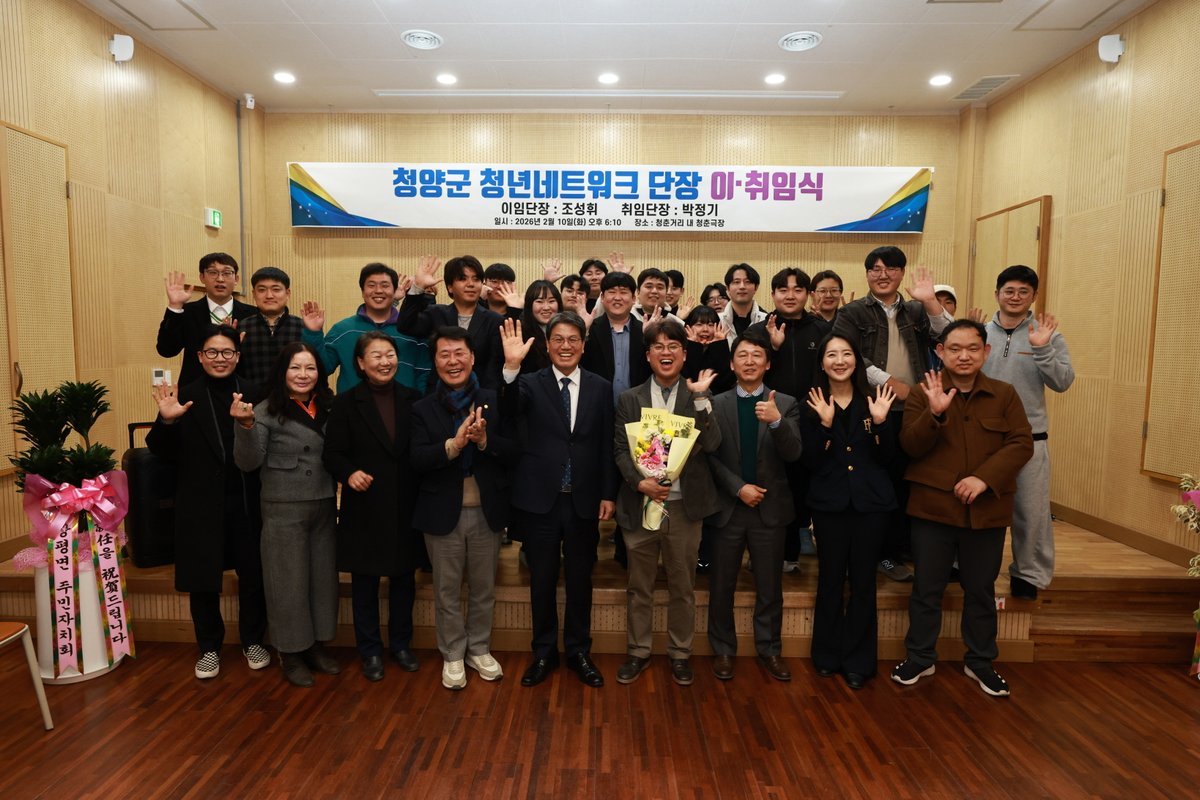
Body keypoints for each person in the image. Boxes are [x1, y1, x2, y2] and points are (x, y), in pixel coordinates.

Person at [892, 320, 1033, 697]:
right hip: (933, 509)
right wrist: (935, 414)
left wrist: (984, 479)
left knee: (981, 589)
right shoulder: (924, 392)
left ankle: (981, 660)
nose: (964, 356)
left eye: (972, 348)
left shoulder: (1004, 394)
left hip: (986, 510)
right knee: (926, 588)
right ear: (940, 352)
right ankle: (920, 656)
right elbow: (910, 445)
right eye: (954, 348)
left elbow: (1021, 443)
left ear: (986, 352)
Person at [500, 312, 617, 688]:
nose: (566, 346)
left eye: (573, 339)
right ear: (547, 345)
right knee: (542, 579)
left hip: (584, 499)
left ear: (583, 345)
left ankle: (579, 650)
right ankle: (544, 652)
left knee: (581, 580)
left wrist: (608, 493)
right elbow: (507, 410)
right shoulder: (528, 383)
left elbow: (606, 444)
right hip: (541, 500)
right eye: (558, 340)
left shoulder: (601, 387)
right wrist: (510, 368)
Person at [146, 326, 268, 680]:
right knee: (202, 577)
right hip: (199, 501)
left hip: (246, 498)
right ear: (199, 357)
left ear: (238, 357)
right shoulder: (183, 395)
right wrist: (167, 421)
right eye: (212, 352)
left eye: (227, 352)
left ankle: (253, 641)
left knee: (253, 574)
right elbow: (161, 451)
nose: (220, 359)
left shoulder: (255, 392)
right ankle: (209, 648)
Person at [832, 246, 954, 583]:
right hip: (873, 408)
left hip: (914, 410)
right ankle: (878, 553)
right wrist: (890, 383)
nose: (882, 274)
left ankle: (900, 549)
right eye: (875, 268)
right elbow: (848, 353)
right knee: (876, 481)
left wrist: (931, 302)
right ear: (867, 274)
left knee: (908, 481)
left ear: (902, 273)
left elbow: (949, 337)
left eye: (891, 268)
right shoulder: (853, 312)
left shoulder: (917, 310)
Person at [613, 319, 721, 687]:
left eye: (673, 346)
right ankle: (638, 651)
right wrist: (639, 482)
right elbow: (619, 450)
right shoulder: (630, 398)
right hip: (641, 504)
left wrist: (703, 399)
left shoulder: (698, 396)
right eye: (658, 346)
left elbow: (714, 444)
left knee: (682, 586)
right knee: (639, 586)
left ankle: (680, 654)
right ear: (647, 356)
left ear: (684, 354)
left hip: (684, 508)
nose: (666, 352)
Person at [411, 327, 519, 690]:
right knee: (446, 590)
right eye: (444, 354)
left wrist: (485, 441)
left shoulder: (492, 400)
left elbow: (513, 450)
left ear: (472, 358)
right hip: (441, 513)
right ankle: (453, 653)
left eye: (459, 353)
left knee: (484, 588)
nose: (453, 361)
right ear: (435, 361)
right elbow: (416, 459)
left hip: (487, 510)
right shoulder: (422, 408)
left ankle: (479, 649)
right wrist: (453, 445)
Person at [231, 342, 339, 687]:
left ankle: (315, 646)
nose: (303, 375)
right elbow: (248, 462)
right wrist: (245, 426)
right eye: (295, 367)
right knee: (287, 583)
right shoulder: (264, 410)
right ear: (282, 371)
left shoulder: (329, 405)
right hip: (283, 506)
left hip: (324, 502)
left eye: (310, 368)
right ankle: (290, 653)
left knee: (321, 580)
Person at [323, 331, 424, 681]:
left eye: (390, 354)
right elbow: (332, 453)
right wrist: (349, 473)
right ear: (361, 363)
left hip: (405, 504)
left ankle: (401, 645)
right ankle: (370, 651)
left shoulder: (413, 399)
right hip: (364, 506)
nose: (385, 362)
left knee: (403, 581)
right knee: (364, 585)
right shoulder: (345, 403)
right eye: (376, 356)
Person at [802, 334, 898, 689]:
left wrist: (882, 424)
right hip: (829, 504)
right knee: (829, 579)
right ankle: (826, 655)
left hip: (871, 505)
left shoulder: (875, 400)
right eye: (831, 355)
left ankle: (859, 661)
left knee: (863, 582)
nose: (839, 361)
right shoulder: (811, 402)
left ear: (856, 360)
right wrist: (825, 427)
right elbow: (809, 461)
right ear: (822, 363)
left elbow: (888, 458)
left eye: (846, 354)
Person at [706, 333, 802, 682]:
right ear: (732, 365)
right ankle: (723, 649)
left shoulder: (786, 403)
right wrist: (738, 487)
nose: (749, 361)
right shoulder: (716, 403)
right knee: (721, 585)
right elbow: (708, 455)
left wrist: (776, 422)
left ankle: (770, 649)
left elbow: (794, 453)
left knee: (769, 587)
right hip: (728, 508)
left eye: (756, 355)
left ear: (768, 363)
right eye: (742, 355)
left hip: (770, 510)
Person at [982, 265, 1074, 600]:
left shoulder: (1048, 335)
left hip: (1030, 438)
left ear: (1033, 296)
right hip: (983, 436)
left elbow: (1063, 381)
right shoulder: (980, 334)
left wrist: (1042, 348)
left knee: (1031, 512)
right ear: (997, 294)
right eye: (1009, 290)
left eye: (1024, 291)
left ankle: (1027, 573)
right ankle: (966, 566)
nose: (1015, 297)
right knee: (976, 505)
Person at [746, 267, 830, 574]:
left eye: (797, 289)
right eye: (783, 289)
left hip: (812, 419)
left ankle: (793, 552)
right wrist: (774, 348)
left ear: (808, 294)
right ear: (773, 294)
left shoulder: (822, 329)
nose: (790, 295)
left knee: (801, 486)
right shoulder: (759, 330)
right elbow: (746, 370)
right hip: (767, 419)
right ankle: (762, 553)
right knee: (768, 484)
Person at [581, 271, 650, 568]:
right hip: (596, 417)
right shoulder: (589, 329)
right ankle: (586, 547)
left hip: (637, 420)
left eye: (624, 292)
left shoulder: (646, 331)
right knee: (592, 477)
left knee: (632, 482)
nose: (618, 297)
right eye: (611, 292)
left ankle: (626, 548)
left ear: (634, 298)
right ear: (603, 297)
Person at [301, 262, 432, 393]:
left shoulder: (412, 330)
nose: (378, 290)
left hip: (404, 404)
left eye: (385, 285)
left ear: (395, 291)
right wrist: (313, 333)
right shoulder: (343, 330)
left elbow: (424, 373)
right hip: (352, 405)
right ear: (363, 292)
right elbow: (322, 368)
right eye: (371, 285)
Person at [401, 255, 505, 389]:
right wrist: (418, 287)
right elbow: (405, 326)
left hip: (479, 393)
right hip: (439, 392)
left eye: (476, 279)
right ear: (450, 287)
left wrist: (487, 397)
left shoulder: (495, 321)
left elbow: (494, 367)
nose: (471, 284)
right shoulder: (436, 313)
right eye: (462, 279)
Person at [157, 252, 256, 388]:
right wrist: (174, 307)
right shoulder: (187, 312)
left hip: (241, 389)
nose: (220, 279)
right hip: (195, 391)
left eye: (227, 273)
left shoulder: (252, 314)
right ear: (202, 277)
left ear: (236, 279)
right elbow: (166, 350)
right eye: (213, 273)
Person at [237, 266, 305, 384]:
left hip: (293, 394)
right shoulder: (241, 328)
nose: (269, 295)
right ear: (254, 294)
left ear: (287, 293)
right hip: (252, 395)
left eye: (276, 289)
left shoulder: (302, 327)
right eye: (262, 290)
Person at [718, 263, 768, 343]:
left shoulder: (766, 321)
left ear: (756, 287)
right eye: (736, 282)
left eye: (747, 282)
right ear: (728, 288)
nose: (742, 286)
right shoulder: (718, 321)